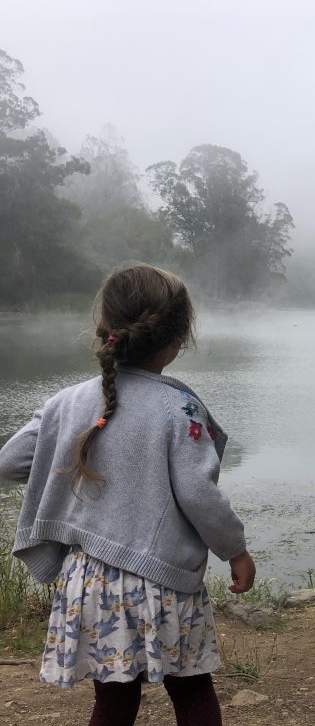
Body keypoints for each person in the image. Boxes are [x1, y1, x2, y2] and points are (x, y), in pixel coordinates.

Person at [0, 263, 255, 726]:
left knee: (113, 704)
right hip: (163, 582)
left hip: (91, 583)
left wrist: (68, 463)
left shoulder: (67, 402)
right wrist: (235, 549)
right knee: (193, 693)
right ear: (177, 340)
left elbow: (11, 462)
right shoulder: (180, 408)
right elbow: (199, 494)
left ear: (109, 331)